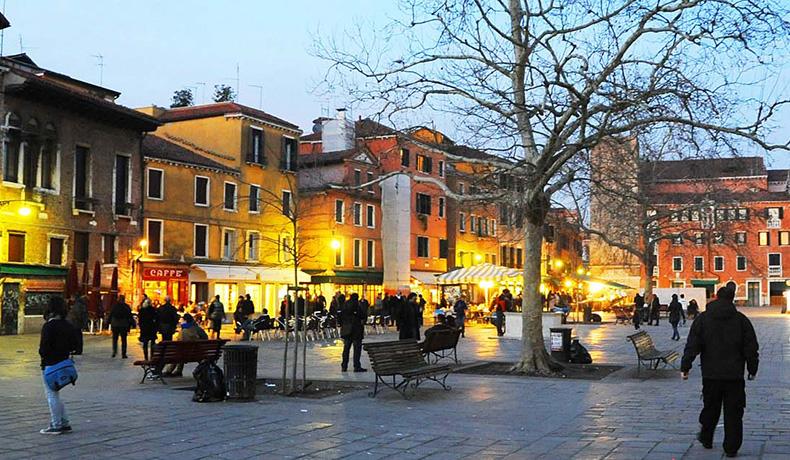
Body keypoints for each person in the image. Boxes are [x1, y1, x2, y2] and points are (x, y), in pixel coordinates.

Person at [681, 286, 759, 458]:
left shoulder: (703, 319)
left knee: (710, 407)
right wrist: (752, 369)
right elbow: (751, 347)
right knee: (734, 412)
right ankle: (731, 448)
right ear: (732, 299)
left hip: (711, 374)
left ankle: (706, 437)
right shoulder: (741, 320)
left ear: (716, 296)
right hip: (734, 375)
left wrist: (685, 367)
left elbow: (693, 345)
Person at [39, 296, 79, 435]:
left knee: (52, 395)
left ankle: (56, 424)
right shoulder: (69, 325)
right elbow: (76, 346)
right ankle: (64, 422)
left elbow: (43, 349)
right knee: (56, 394)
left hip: (50, 364)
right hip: (64, 363)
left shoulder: (49, 326)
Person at [339, 293, 367, 372]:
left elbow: (340, 316)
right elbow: (363, 315)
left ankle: (344, 365)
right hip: (356, 330)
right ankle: (356, 366)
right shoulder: (357, 305)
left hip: (347, 329)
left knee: (346, 348)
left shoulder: (345, 305)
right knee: (357, 349)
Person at [137, 295, 158, 360]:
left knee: (145, 344)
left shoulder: (142, 311)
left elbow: (139, 320)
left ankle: (146, 357)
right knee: (152, 343)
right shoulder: (153, 310)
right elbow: (156, 318)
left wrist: (140, 326)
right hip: (152, 328)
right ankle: (152, 356)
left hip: (144, 328)